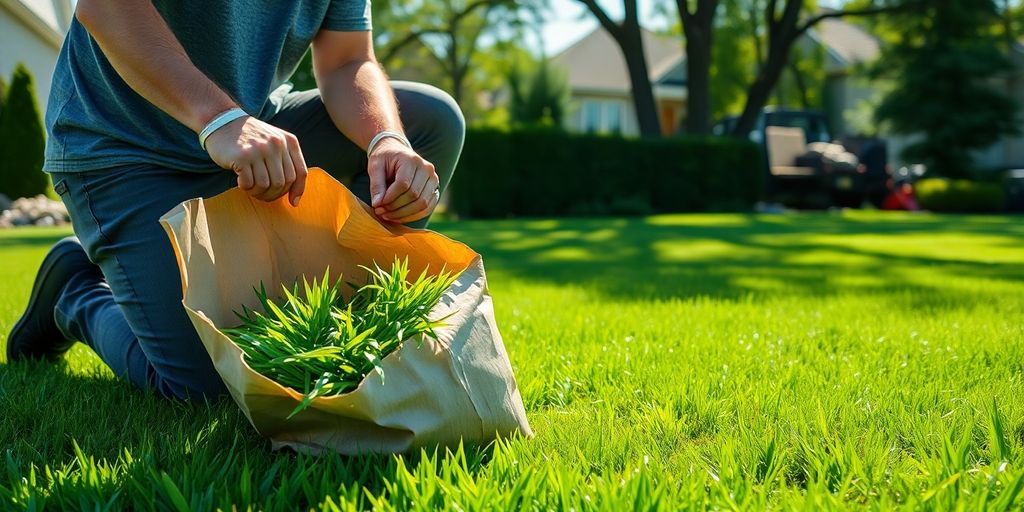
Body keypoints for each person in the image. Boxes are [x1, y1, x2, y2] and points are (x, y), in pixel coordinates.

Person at [5, 1, 466, 400]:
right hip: (125, 149)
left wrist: (387, 140)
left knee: (430, 121)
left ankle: (347, 341)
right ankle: (77, 294)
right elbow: (106, 7)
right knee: (216, 387)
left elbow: (347, 60)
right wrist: (219, 119)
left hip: (254, 135)